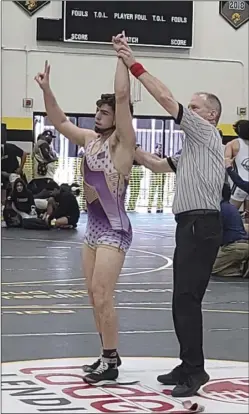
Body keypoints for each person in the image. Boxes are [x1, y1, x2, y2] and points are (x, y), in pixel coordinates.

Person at [115, 36, 225, 397]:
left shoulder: (205, 131)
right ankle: (186, 363)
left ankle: (195, 372)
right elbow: (160, 166)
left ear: (211, 115)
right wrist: (130, 145)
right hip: (189, 225)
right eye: (190, 107)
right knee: (181, 298)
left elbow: (165, 99)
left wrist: (134, 64)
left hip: (201, 223)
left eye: (195, 107)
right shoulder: (194, 148)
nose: (189, 111)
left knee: (187, 299)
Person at [35, 32, 136, 385]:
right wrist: (47, 90)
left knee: (104, 293)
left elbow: (122, 95)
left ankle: (111, 362)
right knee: (94, 295)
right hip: (93, 231)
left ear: (117, 117)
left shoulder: (123, 145)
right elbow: (60, 122)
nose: (97, 115)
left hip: (114, 228)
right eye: (97, 110)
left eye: (104, 112)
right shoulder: (90, 140)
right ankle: (107, 355)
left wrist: (121, 57)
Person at [212, 183, 248, 277]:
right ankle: (241, 264)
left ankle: (241, 270)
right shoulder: (231, 207)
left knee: (211, 268)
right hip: (242, 244)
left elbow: (213, 233)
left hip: (234, 247)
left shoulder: (219, 209)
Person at [224, 120, 249, 209]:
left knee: (231, 214)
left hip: (239, 184)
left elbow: (226, 162)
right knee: (247, 218)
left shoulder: (232, 144)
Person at [148, 144, 165, 213]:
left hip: (161, 176)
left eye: (161, 148)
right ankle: (149, 207)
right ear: (155, 149)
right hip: (155, 176)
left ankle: (159, 207)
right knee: (152, 192)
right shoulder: (153, 156)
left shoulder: (164, 156)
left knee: (160, 193)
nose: (160, 149)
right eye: (159, 148)